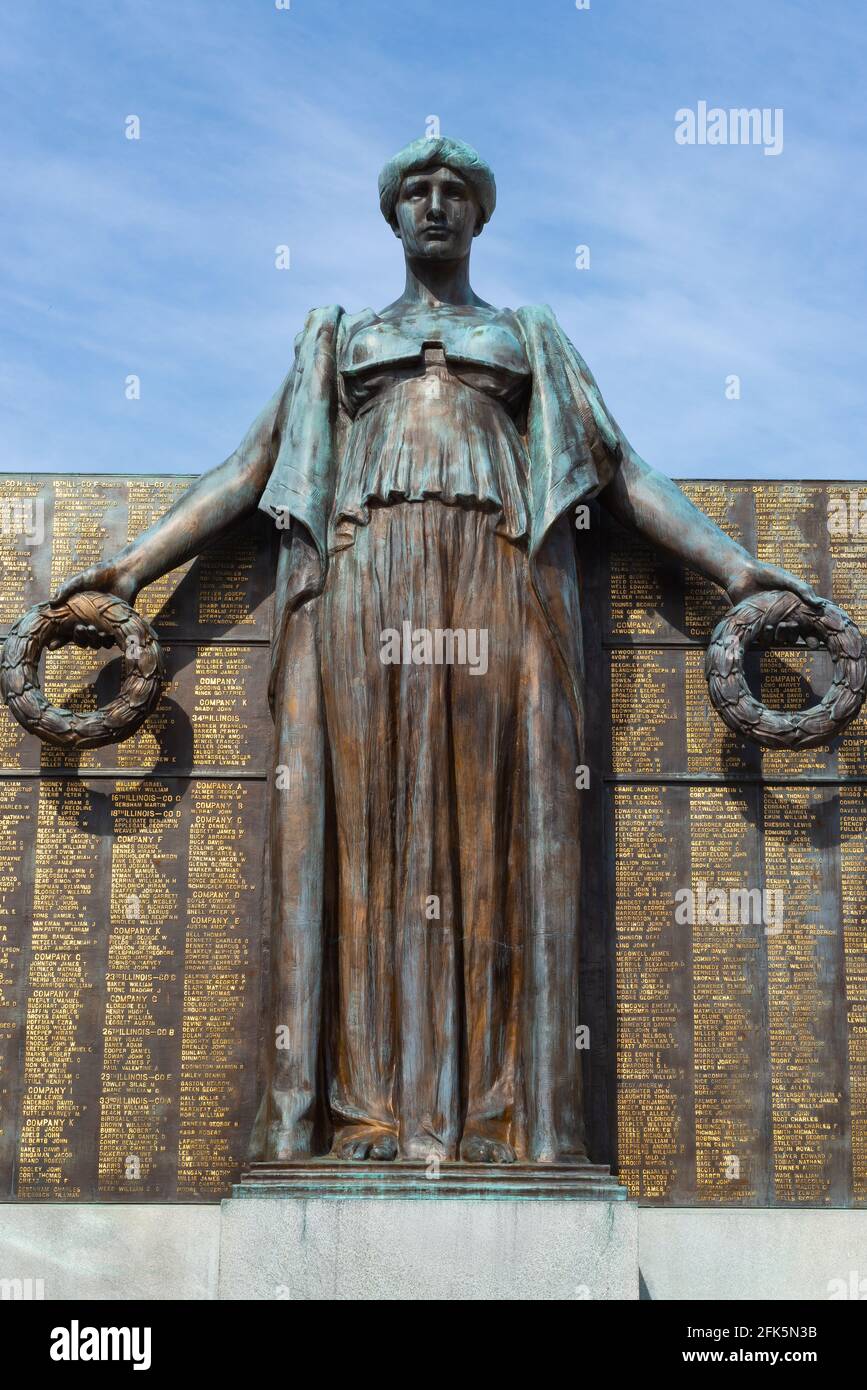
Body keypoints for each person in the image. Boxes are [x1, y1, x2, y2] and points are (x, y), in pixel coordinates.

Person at [53, 136, 819, 1165]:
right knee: (369, 838)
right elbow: (246, 472)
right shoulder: (340, 337)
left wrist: (736, 570)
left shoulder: (525, 337)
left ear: (479, 216)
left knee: (498, 837)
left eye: (455, 191)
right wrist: (129, 569)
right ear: (392, 214)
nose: (434, 206)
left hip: (498, 576)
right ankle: (364, 1113)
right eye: (416, 191)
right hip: (367, 577)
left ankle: (504, 1114)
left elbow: (621, 472)